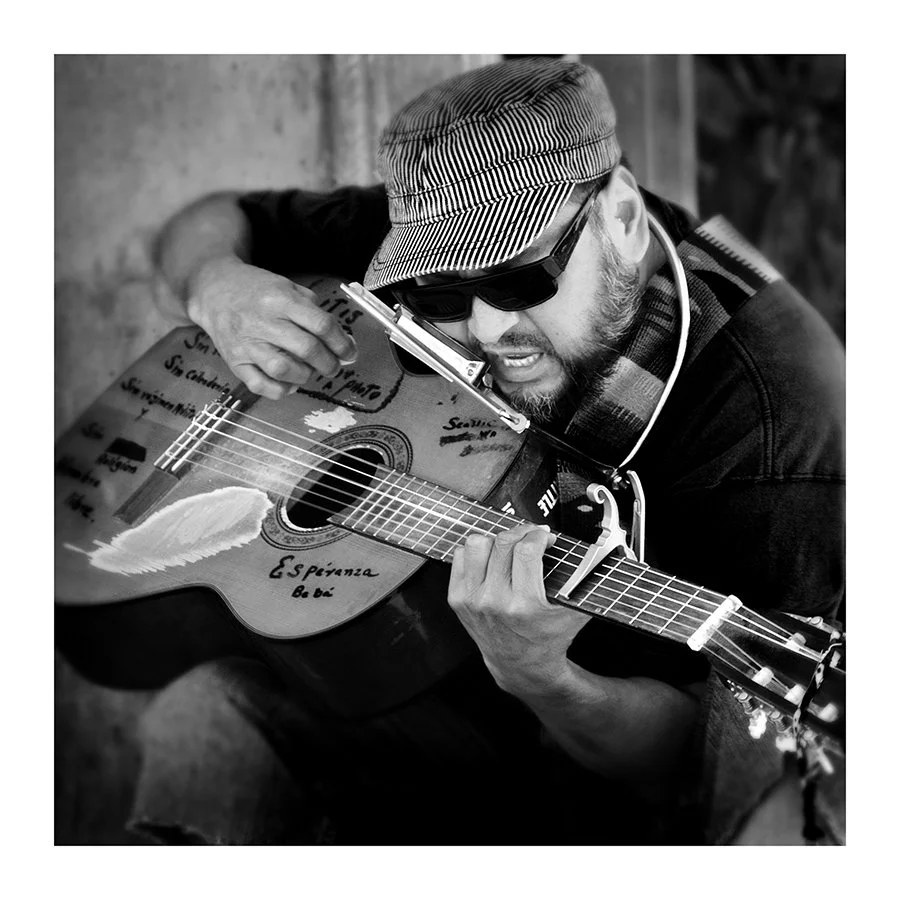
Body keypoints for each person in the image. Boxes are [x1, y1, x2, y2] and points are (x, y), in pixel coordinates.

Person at [132, 57, 845, 845]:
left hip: (585, 795)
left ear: (625, 220)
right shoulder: (452, 205)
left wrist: (544, 677)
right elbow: (206, 218)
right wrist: (215, 283)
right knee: (209, 711)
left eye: (519, 278)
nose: (486, 329)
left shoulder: (783, 440)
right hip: (419, 670)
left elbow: (701, 771)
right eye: (436, 295)